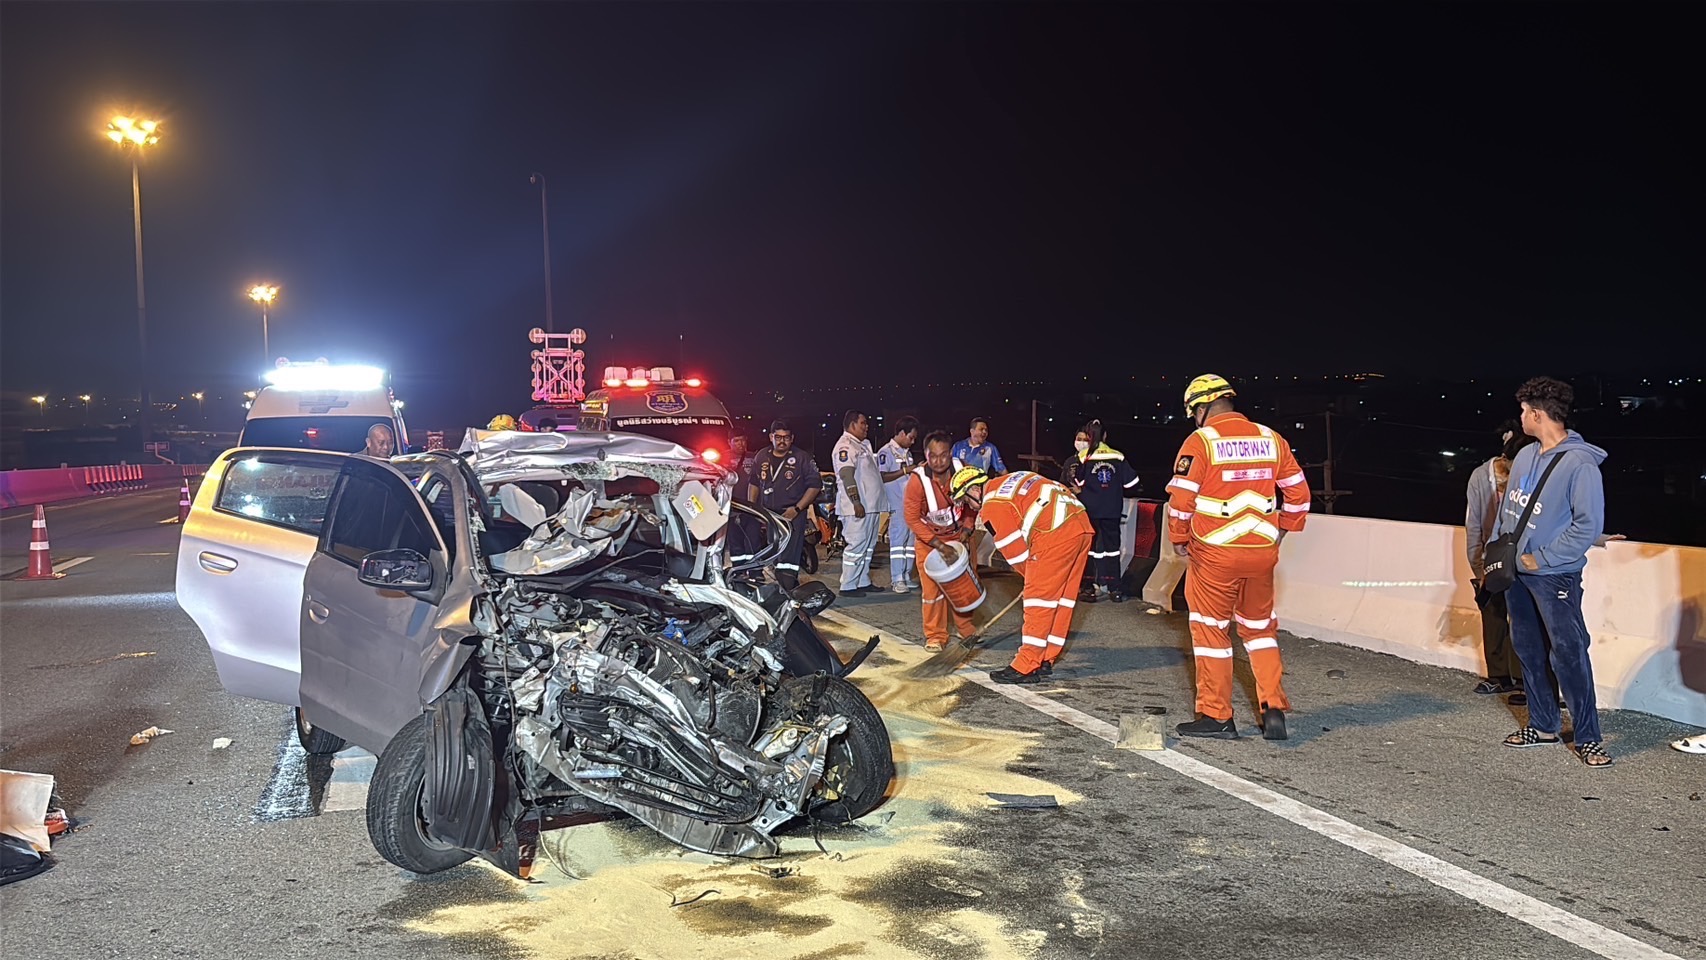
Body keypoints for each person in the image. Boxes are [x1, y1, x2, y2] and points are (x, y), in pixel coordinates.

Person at [1167, 374, 1311, 741]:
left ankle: (1216, 715)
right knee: (1260, 629)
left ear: (1201, 408)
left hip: (1214, 555)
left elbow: (1181, 501)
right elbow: (1299, 494)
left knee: (1211, 630)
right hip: (1261, 553)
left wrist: (1179, 538)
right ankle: (1273, 707)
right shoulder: (1270, 438)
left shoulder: (1201, 441)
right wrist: (1283, 529)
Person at [1491, 376, 1613, 768]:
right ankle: (1543, 725)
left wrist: (1539, 559)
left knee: (1569, 653)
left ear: (1539, 414)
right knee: (1528, 649)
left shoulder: (1580, 464)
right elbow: (1508, 512)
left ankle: (1588, 737)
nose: (1521, 417)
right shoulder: (1526, 455)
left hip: (1554, 575)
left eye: (1525, 411)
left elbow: (1587, 526)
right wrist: (1496, 557)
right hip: (1517, 574)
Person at [948, 466, 1093, 684]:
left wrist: (1033, 582)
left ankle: (1026, 665)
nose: (971, 506)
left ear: (975, 490)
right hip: (1081, 526)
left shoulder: (992, 506)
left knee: (1039, 603)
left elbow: (1016, 553)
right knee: (1062, 600)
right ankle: (1046, 658)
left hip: (1053, 534)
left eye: (967, 500)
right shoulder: (1015, 477)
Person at [1465, 420, 1536, 699]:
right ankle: (1498, 677)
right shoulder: (1481, 478)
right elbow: (1474, 525)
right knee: (1493, 615)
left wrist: (1598, 537)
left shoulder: (1528, 477)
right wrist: (1478, 567)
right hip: (1492, 555)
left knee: (1522, 619)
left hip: (1522, 556)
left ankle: (1521, 679)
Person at [905, 431, 980, 651]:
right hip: (930, 541)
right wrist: (938, 545)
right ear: (925, 455)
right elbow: (911, 518)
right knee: (932, 592)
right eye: (933, 456)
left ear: (951, 454)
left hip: (959, 536)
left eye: (944, 455)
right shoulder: (917, 481)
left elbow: (973, 504)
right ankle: (935, 636)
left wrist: (967, 529)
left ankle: (965, 629)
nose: (939, 461)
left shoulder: (963, 471)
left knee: (964, 586)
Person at [1063, 420, 1140, 603]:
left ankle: (1089, 587)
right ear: (1105, 435)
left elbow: (1077, 481)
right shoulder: (1118, 456)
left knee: (1090, 549)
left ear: (1089, 437)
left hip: (1090, 509)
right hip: (1112, 510)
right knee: (1112, 549)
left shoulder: (1084, 456)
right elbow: (1132, 482)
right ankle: (1115, 589)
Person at [747, 419, 821, 590]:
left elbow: (815, 486)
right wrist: (752, 508)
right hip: (769, 514)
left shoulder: (802, 458)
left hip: (792, 514)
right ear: (771, 437)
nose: (782, 441)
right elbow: (754, 483)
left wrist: (797, 509)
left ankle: (787, 588)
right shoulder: (761, 456)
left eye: (786, 437)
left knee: (789, 556)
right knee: (774, 551)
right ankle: (780, 585)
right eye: (778, 437)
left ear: (792, 438)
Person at [832, 410, 885, 596]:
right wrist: (856, 502)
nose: (866, 426)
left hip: (871, 506)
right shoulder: (845, 446)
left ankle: (862, 581)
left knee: (868, 546)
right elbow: (847, 475)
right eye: (862, 423)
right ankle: (848, 585)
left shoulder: (862, 445)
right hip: (857, 507)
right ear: (852, 424)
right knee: (856, 546)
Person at [877, 416, 920, 592]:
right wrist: (905, 470)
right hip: (897, 503)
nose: (913, 441)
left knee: (910, 543)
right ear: (902, 433)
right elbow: (882, 476)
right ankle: (897, 579)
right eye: (911, 437)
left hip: (910, 503)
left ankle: (906, 575)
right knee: (898, 542)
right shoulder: (886, 452)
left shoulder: (907, 453)